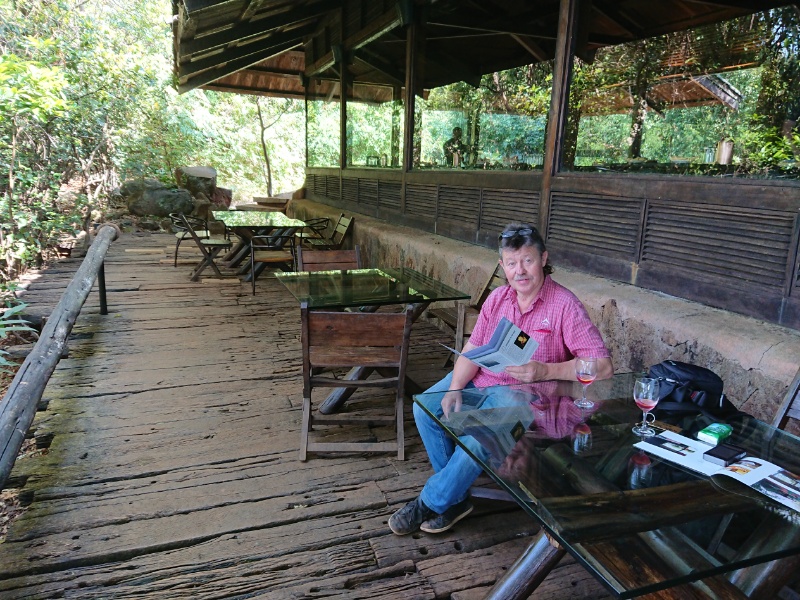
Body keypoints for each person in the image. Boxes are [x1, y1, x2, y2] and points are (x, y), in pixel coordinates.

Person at [388, 223, 613, 536]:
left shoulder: (565, 305)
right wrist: (455, 388)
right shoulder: (498, 299)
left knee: (480, 435)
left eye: (528, 261)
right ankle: (455, 499)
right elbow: (472, 349)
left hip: (527, 399)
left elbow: (602, 366)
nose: (520, 271)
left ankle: (430, 502)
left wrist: (546, 371)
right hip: (484, 381)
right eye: (511, 263)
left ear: (543, 258)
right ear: (502, 265)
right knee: (425, 409)